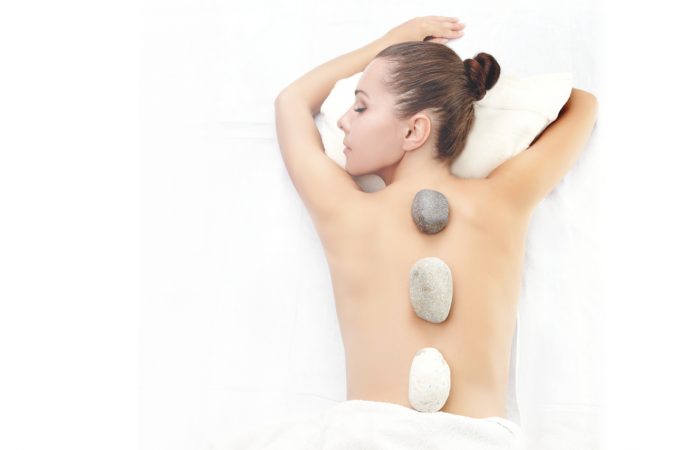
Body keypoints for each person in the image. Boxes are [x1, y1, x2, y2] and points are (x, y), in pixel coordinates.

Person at [274, 15, 598, 421]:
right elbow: (583, 104)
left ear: (414, 131)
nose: (342, 120)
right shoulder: (501, 200)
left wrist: (383, 44)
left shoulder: (348, 213)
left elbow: (291, 102)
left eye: (360, 107)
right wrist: (470, 90)